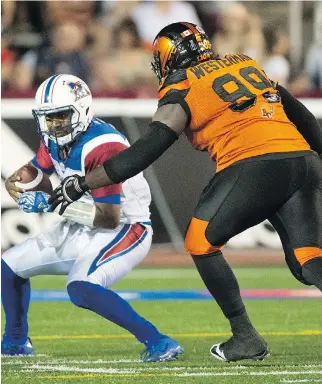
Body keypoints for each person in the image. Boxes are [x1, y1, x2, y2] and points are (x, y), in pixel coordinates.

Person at [49, 23, 322, 363]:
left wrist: (84, 182)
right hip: (304, 161)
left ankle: (246, 337)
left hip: (253, 163)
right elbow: (305, 118)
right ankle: (248, 335)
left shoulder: (183, 85)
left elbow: (147, 150)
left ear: (168, 57)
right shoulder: (246, 63)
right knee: (308, 260)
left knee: (200, 242)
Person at [1, 74, 183, 363]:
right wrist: (24, 179)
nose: (54, 126)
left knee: (81, 288)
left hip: (126, 226)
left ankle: (158, 340)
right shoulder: (55, 136)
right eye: (48, 118)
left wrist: (49, 204)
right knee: (9, 267)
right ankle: (15, 342)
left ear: (82, 110)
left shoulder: (102, 145)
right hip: (82, 221)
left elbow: (108, 218)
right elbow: (38, 169)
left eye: (60, 117)